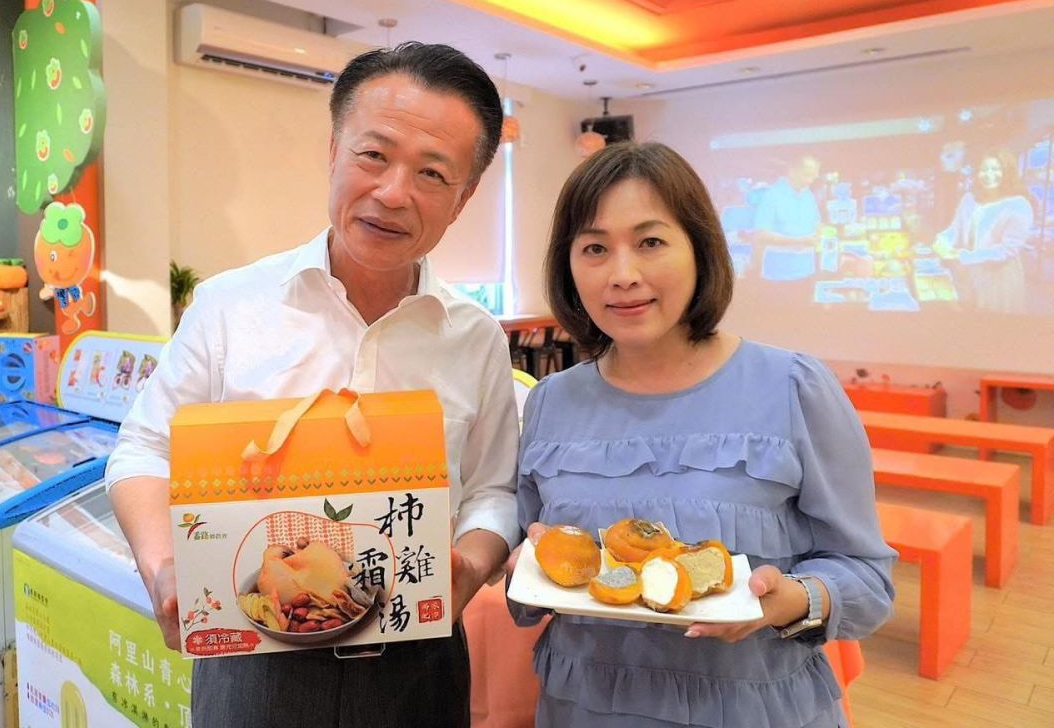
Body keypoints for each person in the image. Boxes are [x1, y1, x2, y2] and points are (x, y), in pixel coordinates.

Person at [106, 42, 521, 728]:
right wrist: (161, 566)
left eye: (432, 172)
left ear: (464, 196)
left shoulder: (474, 337)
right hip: (254, 660)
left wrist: (470, 567)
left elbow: (493, 490)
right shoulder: (229, 306)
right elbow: (144, 449)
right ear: (333, 150)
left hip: (417, 665)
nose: (393, 192)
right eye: (374, 154)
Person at [509, 142, 895, 728]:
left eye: (650, 242)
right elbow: (529, 578)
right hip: (582, 708)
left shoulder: (792, 387)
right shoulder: (551, 403)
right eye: (594, 248)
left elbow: (867, 577)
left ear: (700, 248)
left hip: (752, 709)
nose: (622, 275)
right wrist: (524, 566)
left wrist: (788, 600)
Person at [933, 148, 1034, 313]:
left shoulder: (1018, 204)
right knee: (967, 316)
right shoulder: (970, 199)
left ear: (1008, 172)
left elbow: (1008, 250)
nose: (989, 175)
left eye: (995, 169)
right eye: (984, 170)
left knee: (993, 323)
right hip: (967, 274)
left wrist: (966, 256)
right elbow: (955, 229)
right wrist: (942, 240)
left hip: (998, 280)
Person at [751, 154, 822, 283]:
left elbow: (816, 223)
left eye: (814, 176)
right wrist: (798, 241)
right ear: (792, 171)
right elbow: (761, 235)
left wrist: (818, 234)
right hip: (779, 274)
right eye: (807, 175)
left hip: (807, 270)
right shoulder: (771, 196)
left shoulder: (808, 195)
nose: (810, 181)